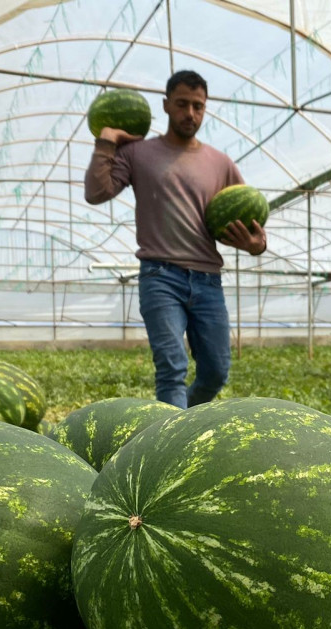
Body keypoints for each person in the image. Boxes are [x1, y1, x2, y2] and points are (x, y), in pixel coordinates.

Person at [85, 70, 267, 408]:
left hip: (208, 279)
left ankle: (183, 422)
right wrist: (107, 141)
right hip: (160, 276)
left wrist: (257, 245)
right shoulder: (138, 153)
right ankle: (173, 446)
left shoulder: (221, 162)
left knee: (216, 371)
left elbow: (247, 223)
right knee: (172, 369)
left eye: (198, 106)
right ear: (166, 105)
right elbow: (97, 193)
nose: (191, 114)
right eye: (182, 104)